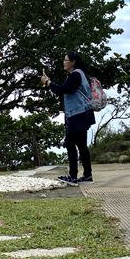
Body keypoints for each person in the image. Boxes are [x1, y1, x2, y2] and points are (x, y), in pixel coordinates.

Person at [41, 51, 95, 186]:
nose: (64, 62)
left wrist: (48, 82)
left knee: (70, 143)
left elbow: (61, 90)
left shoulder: (75, 75)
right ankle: (87, 175)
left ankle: (73, 176)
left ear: (73, 62)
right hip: (84, 113)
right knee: (82, 145)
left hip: (77, 115)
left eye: (66, 60)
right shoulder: (80, 74)